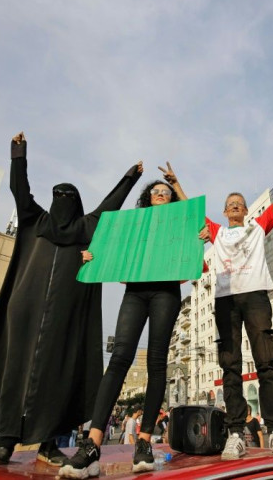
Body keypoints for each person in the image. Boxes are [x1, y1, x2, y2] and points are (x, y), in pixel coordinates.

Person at [0, 132, 143, 466]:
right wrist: (18, 154)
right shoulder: (35, 220)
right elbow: (20, 189)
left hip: (65, 316)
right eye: (58, 195)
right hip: (24, 311)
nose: (62, 200)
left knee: (58, 376)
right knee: (13, 374)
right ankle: (6, 442)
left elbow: (109, 206)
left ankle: (49, 443)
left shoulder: (87, 227)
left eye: (68, 196)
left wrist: (131, 177)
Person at [60, 168, 194, 477]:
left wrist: (195, 234)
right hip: (135, 291)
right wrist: (96, 258)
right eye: (156, 192)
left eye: (167, 194)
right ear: (147, 199)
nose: (162, 196)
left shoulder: (181, 226)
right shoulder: (132, 227)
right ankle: (92, 444)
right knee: (120, 357)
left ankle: (144, 442)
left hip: (166, 292)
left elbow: (193, 240)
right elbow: (113, 253)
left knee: (157, 361)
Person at [200, 152, 273, 460]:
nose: (234, 207)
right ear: (224, 212)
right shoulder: (216, 232)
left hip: (256, 295)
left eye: (239, 204)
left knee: (265, 362)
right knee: (230, 366)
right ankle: (235, 434)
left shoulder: (258, 226)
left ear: (246, 211)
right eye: (230, 205)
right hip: (226, 299)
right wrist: (177, 184)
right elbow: (192, 213)